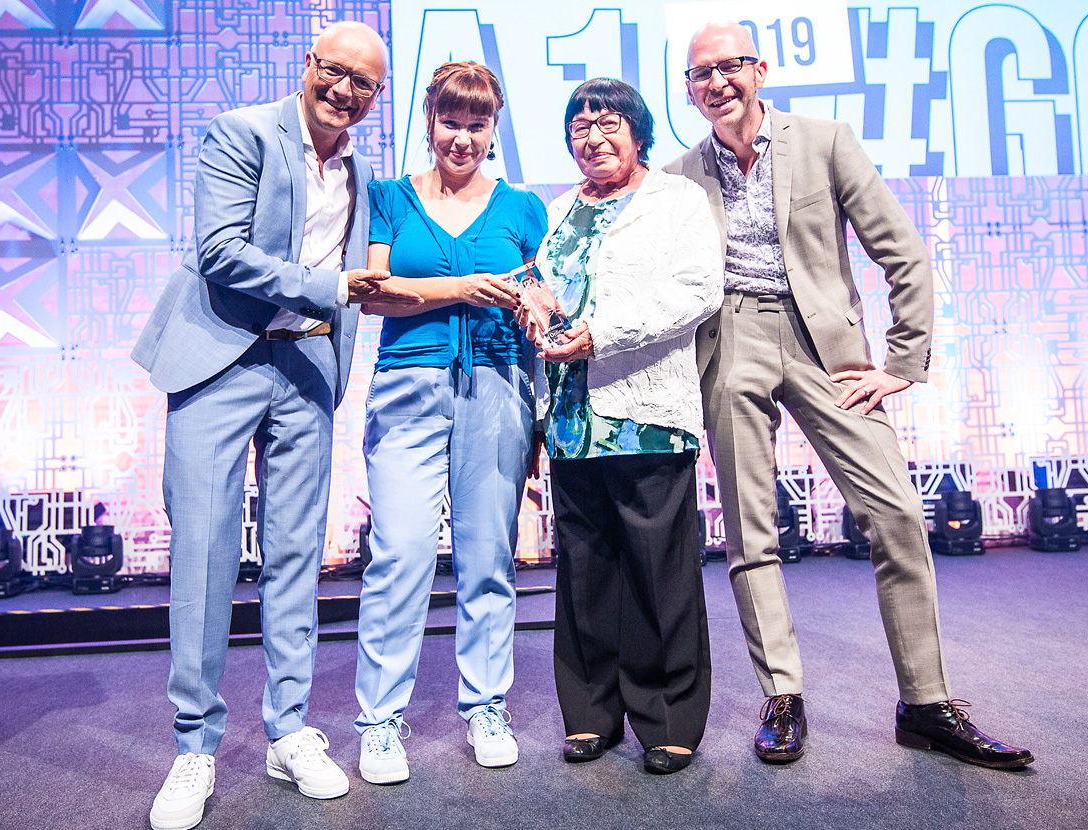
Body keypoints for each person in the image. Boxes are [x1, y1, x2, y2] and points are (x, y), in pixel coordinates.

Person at [666, 20, 1033, 769]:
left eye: (729, 67)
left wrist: (901, 362)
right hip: (730, 340)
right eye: (700, 74)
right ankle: (784, 698)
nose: (716, 83)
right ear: (690, 88)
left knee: (895, 512)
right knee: (750, 530)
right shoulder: (680, 174)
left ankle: (926, 705)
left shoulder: (825, 141)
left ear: (760, 70)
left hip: (823, 347)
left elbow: (902, 251)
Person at [132, 21, 422, 830]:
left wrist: (334, 346)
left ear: (374, 95)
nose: (345, 90)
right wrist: (326, 287)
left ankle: (288, 732)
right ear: (308, 65)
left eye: (363, 83)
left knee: (298, 557)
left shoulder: (363, 169)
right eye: (334, 72)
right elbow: (220, 250)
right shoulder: (242, 132)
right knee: (205, 555)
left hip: (305, 368)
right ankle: (195, 747)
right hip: (220, 362)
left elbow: (364, 281)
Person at [350, 61, 546, 785]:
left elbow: (538, 300)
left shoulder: (523, 208)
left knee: (488, 556)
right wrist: (461, 288)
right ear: (428, 120)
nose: (462, 138)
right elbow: (373, 294)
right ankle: (378, 722)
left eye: (477, 124)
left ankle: (485, 706)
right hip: (408, 384)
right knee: (399, 554)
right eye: (450, 122)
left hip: (498, 387)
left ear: (493, 129)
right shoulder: (390, 199)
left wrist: (538, 309)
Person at [524, 78, 722, 775]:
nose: (593, 137)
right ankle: (591, 712)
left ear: (638, 133)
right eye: (579, 126)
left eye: (607, 123)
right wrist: (534, 304)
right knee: (584, 569)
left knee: (657, 569)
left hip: (645, 410)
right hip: (573, 418)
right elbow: (546, 289)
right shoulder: (558, 208)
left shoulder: (676, 200)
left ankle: (667, 718)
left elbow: (698, 290)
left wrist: (599, 334)